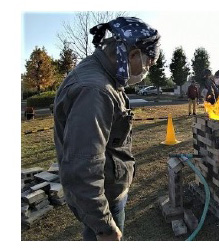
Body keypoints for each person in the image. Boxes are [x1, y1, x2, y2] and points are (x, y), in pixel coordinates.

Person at [53, 17, 160, 241]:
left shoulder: (106, 75)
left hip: (109, 191)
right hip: (105, 202)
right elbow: (84, 166)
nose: (146, 71)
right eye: (147, 64)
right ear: (132, 55)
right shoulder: (95, 90)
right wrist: (104, 226)